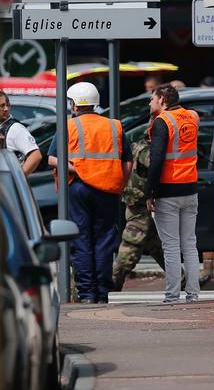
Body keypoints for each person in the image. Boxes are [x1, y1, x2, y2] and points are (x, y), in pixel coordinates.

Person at [48, 82, 131, 304]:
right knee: (104, 240)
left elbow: (52, 159)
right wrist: (120, 184)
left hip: (78, 187)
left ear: (74, 104)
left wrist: (79, 169)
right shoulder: (115, 126)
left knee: (81, 239)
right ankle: (102, 293)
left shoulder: (68, 126)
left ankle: (86, 294)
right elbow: (128, 162)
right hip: (108, 189)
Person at [146, 84, 201, 303]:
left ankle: (172, 295)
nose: (150, 103)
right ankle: (193, 294)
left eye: (152, 98)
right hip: (190, 187)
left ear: (162, 99)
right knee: (189, 243)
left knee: (170, 246)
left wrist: (149, 191)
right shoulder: (190, 117)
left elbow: (157, 159)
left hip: (168, 189)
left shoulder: (163, 122)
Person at [112, 133, 166, 291]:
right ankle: (113, 283)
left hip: (137, 203)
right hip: (141, 206)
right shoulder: (145, 151)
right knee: (130, 247)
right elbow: (154, 163)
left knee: (157, 246)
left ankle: (182, 278)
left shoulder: (137, 146)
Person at [0, 89, 42, 174]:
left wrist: (17, 181)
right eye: (2, 106)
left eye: (7, 105)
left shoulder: (15, 129)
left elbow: (35, 156)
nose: (6, 108)